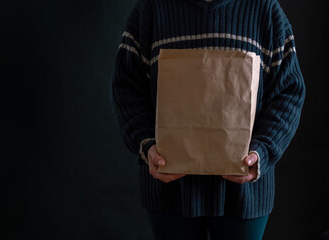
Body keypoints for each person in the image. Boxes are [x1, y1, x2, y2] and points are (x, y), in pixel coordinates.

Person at [110, 0, 305, 239]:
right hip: (169, 191)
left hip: (245, 195)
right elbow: (126, 87)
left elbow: (289, 91)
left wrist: (262, 151)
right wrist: (147, 145)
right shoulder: (151, 9)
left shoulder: (264, 9)